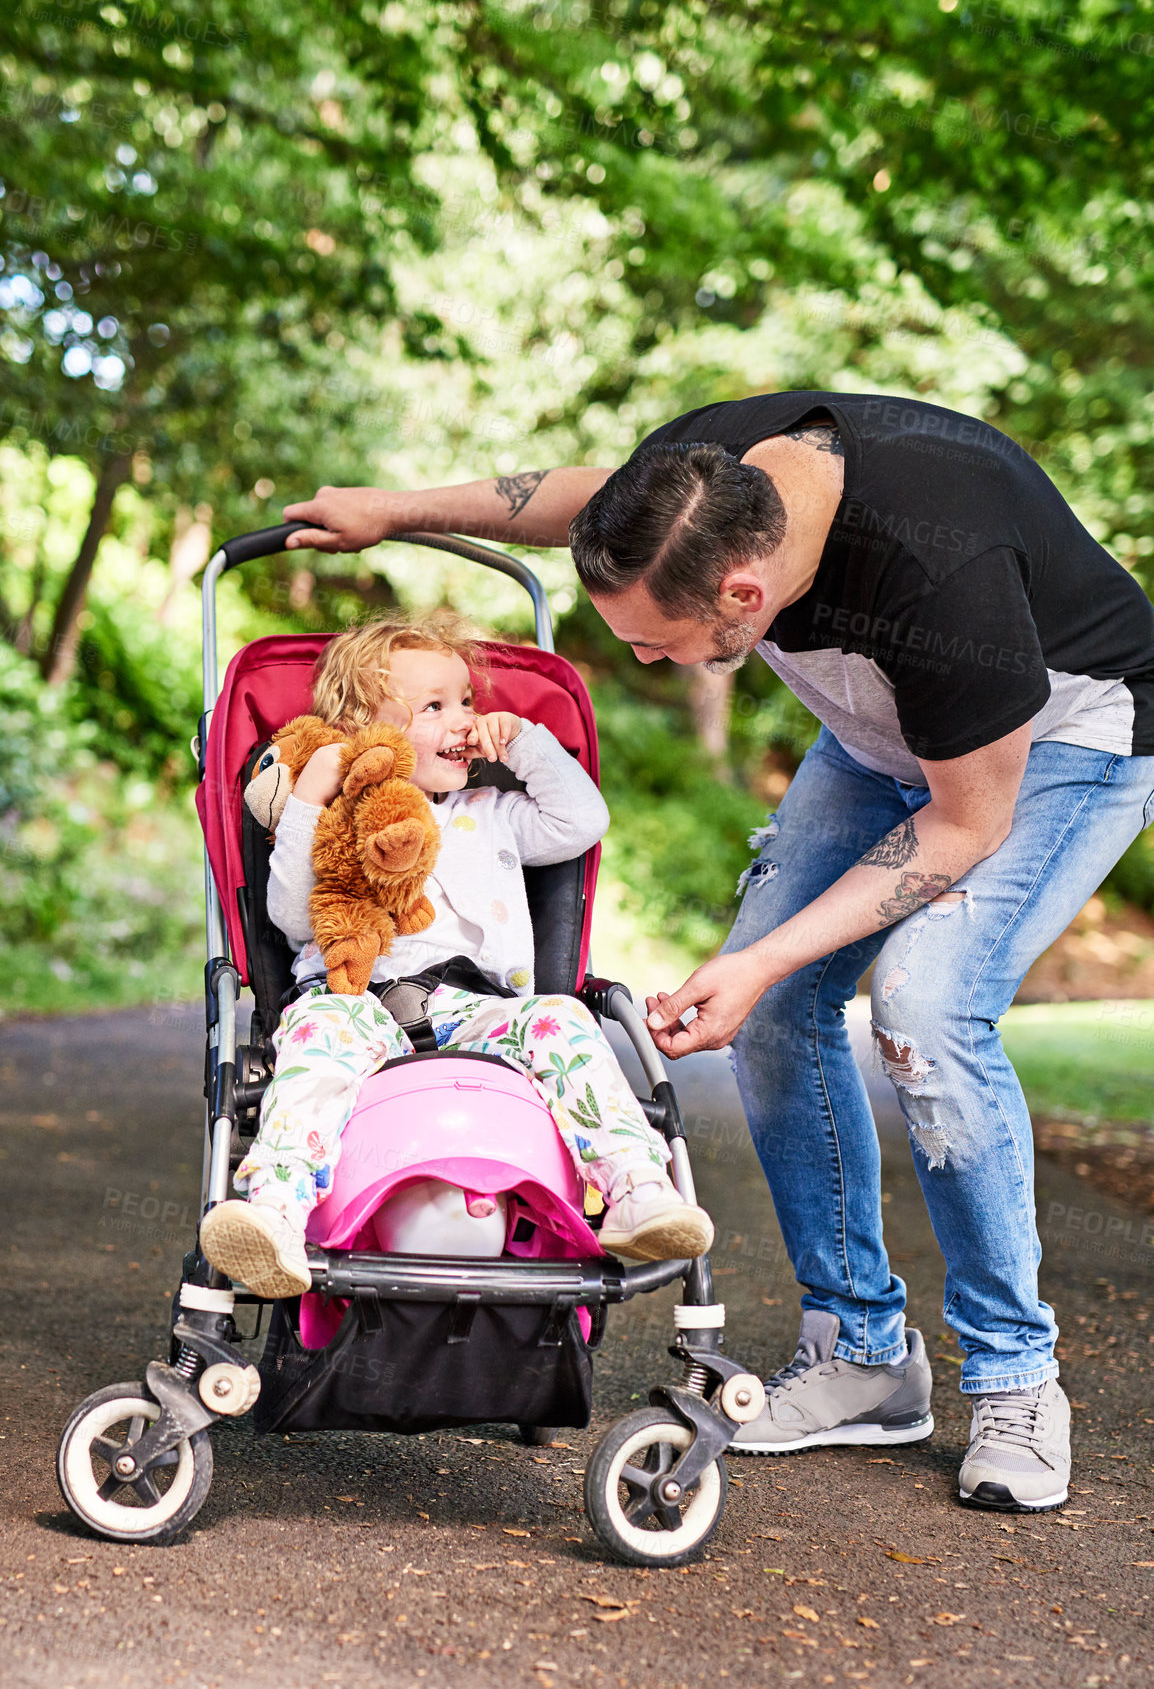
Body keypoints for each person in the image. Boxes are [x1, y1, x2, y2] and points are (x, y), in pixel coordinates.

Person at [279, 391, 1154, 1512]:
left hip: (1059, 739)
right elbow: (576, 499)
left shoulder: (946, 573)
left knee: (925, 1012)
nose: (639, 652)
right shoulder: (702, 476)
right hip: (878, 728)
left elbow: (964, 822)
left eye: (656, 640)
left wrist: (761, 959)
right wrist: (390, 513)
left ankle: (1014, 1376)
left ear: (744, 594)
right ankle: (860, 1356)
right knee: (779, 1011)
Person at [201, 612, 714, 1297]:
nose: (463, 719)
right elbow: (294, 917)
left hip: (480, 1010)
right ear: (366, 731)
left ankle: (637, 1187)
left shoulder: (493, 810)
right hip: (352, 1002)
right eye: (435, 707)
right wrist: (309, 800)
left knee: (562, 1019)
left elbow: (583, 821)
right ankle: (276, 1208)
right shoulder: (339, 819)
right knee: (317, 1045)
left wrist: (526, 744)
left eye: (467, 700)